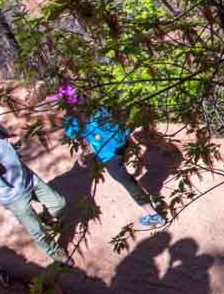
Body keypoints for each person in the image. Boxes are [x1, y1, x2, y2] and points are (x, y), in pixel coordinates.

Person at [0, 103, 71, 265]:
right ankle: (56, 253)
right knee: (37, 231)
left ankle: (45, 219)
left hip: (29, 178)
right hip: (11, 196)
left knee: (59, 203)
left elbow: (12, 147)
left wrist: (16, 142)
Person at [63, 97, 166, 228]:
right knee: (127, 177)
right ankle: (150, 200)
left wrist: (83, 157)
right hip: (122, 144)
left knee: (127, 182)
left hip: (109, 155)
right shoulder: (98, 107)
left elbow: (77, 138)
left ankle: (153, 215)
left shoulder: (73, 120)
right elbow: (121, 126)